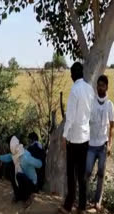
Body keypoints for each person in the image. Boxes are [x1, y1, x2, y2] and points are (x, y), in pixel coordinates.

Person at [59, 62, 94, 214]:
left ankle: (68, 205)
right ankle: (81, 206)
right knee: (81, 174)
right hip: (85, 137)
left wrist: (64, 135)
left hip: (74, 139)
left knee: (71, 174)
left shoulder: (75, 90)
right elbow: (90, 113)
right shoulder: (89, 89)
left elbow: (70, 117)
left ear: (73, 75)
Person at [86, 75, 113, 211]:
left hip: (102, 145)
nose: (99, 87)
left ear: (106, 87)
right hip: (90, 145)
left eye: (102, 85)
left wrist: (110, 144)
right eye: (98, 85)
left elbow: (112, 126)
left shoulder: (109, 105)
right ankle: (83, 200)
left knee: (101, 174)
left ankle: (97, 202)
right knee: (87, 172)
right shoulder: (91, 102)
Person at [0, 136, 42, 207]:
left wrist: (33, 161)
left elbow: (39, 164)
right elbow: (7, 157)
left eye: (8, 145)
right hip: (22, 180)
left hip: (31, 183)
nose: (8, 147)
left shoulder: (25, 156)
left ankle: (29, 196)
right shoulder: (14, 155)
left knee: (19, 175)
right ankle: (18, 195)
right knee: (11, 168)